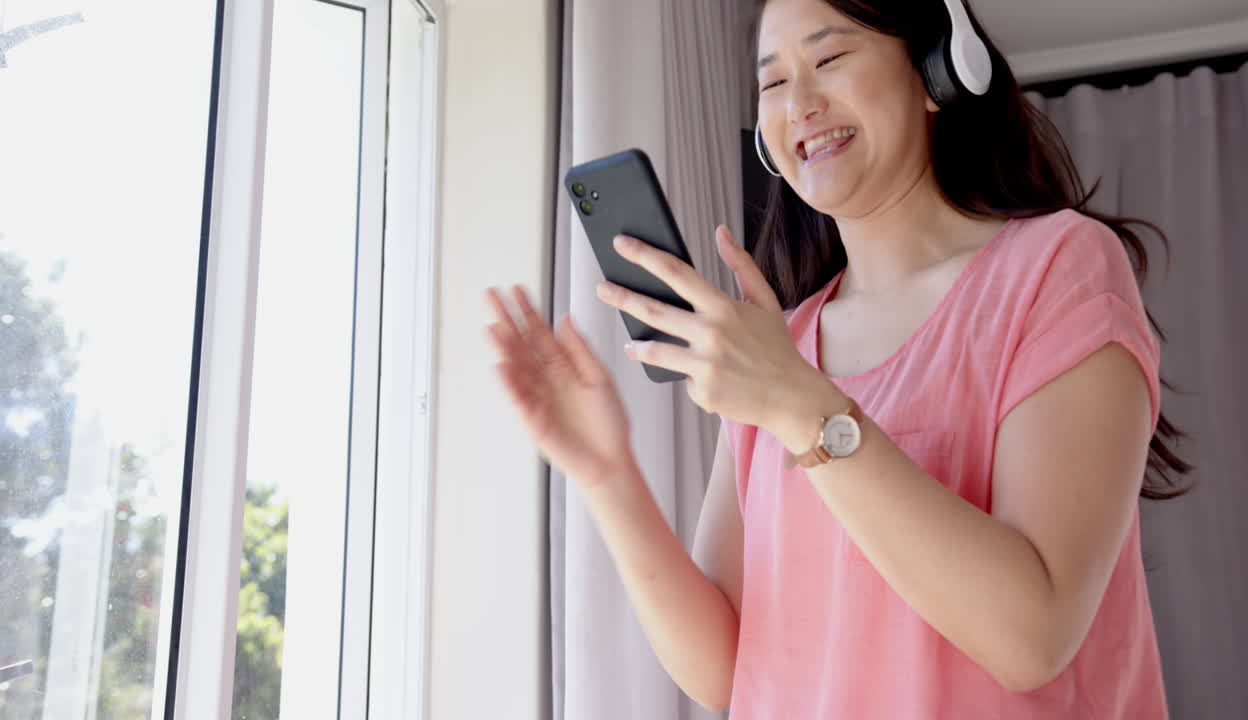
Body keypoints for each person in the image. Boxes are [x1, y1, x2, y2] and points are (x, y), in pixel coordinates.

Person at [483, 0, 1192, 716]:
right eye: (772, 84)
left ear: (934, 73)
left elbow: (1032, 637)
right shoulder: (779, 346)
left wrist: (806, 409)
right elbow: (726, 670)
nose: (801, 104)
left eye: (829, 60)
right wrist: (607, 475)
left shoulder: (1058, 267)